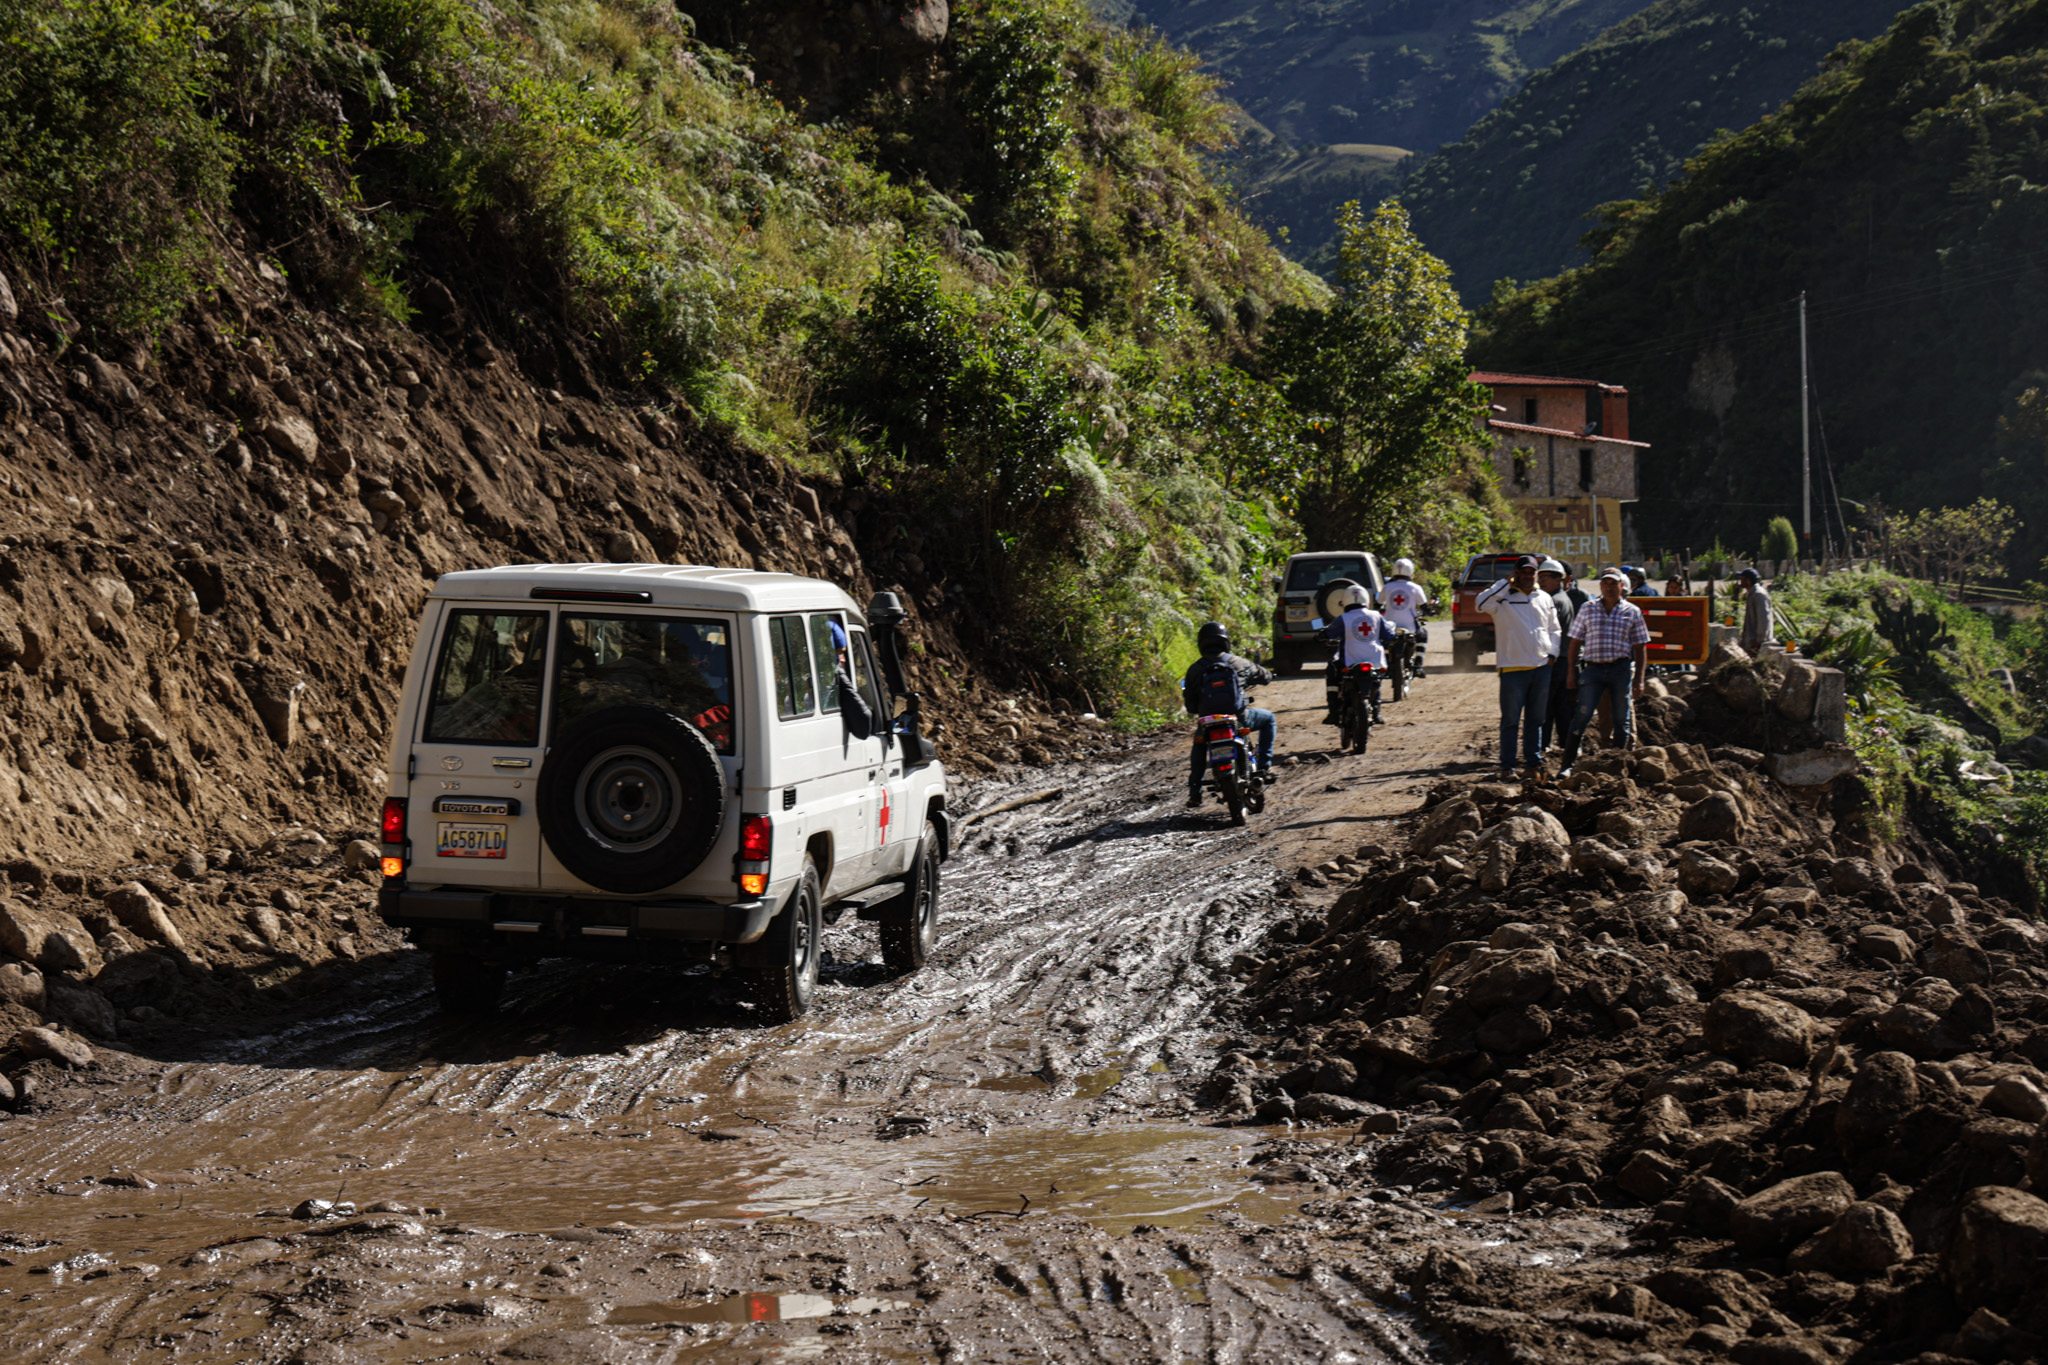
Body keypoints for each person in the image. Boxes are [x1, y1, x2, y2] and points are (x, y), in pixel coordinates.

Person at [1474, 554, 1560, 778]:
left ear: (1536, 574)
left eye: (1531, 572)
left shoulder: (1544, 598)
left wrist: (1552, 654)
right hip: (1512, 669)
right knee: (1511, 720)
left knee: (1536, 719)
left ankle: (1533, 764)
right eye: (1522, 572)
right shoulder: (1502, 599)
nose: (1527, 576)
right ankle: (1508, 767)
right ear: (1516, 573)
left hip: (1541, 667)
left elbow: (1554, 629)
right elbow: (1480, 603)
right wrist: (1505, 583)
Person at [1561, 567, 1653, 772]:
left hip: (1619, 669)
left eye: (1614, 584)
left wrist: (1639, 679)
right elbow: (1575, 642)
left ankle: (1619, 766)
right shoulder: (1587, 608)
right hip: (1593, 670)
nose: (1609, 588)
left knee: (1622, 719)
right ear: (1601, 586)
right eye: (1606, 584)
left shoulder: (1632, 612)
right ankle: (1567, 765)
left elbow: (1640, 647)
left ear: (1621, 586)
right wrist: (1571, 672)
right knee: (1582, 715)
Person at [1181, 621, 1276, 806]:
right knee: (1269, 719)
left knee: (1199, 746)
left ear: (1201, 643)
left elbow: (1191, 705)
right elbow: (1264, 676)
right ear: (1225, 641)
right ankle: (1264, 766)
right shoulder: (1238, 662)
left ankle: (1195, 791)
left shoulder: (1195, 669)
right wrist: (1270, 675)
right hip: (1239, 719)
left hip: (1208, 723)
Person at [1331, 584, 1396, 728]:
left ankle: (1333, 712)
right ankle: (1377, 712)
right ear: (1367, 601)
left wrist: (1321, 636)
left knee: (1331, 672)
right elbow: (1390, 635)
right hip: (1375, 661)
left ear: (1345, 602)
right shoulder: (1377, 616)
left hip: (1349, 662)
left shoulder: (1343, 618)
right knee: (1376, 681)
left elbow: (1328, 634)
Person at [1536, 557, 1576, 756]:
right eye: (1540, 577)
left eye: (1546, 577)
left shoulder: (1554, 601)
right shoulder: (1562, 598)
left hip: (1554, 660)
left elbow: (1546, 632)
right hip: (1562, 660)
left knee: (1545, 705)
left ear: (1558, 579)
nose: (1541, 581)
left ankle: (1542, 745)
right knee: (1559, 705)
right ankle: (1566, 744)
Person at [1377, 557, 1430, 678]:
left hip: (1390, 627)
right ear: (1411, 571)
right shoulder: (1415, 587)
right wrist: (1429, 611)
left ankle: (1383, 665)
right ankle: (1418, 665)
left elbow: (1378, 604)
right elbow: (1424, 607)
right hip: (1409, 626)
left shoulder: (1387, 587)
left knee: (1383, 642)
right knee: (1423, 635)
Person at [1737, 567, 1775, 654]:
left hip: (1758, 644)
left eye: (1742, 579)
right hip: (1752, 643)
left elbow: (1763, 619)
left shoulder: (1758, 595)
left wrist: (1758, 641)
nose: (1740, 581)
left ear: (1748, 581)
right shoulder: (1753, 594)